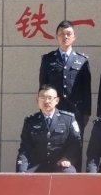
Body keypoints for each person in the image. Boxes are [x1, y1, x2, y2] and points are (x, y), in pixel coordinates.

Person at [39, 20, 91, 171]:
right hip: (54, 110)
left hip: (76, 112)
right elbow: (43, 87)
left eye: (68, 34)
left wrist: (86, 112)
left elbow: (86, 89)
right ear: (56, 37)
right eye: (61, 34)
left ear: (74, 37)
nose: (65, 37)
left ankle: (76, 178)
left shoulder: (82, 60)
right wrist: (44, 109)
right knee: (53, 144)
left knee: (76, 144)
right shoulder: (48, 59)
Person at [16, 85, 81, 173]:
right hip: (37, 165)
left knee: (69, 173)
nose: (46, 101)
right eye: (42, 98)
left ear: (57, 100)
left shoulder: (68, 119)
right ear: (37, 100)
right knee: (23, 176)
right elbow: (25, 148)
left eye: (50, 98)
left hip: (60, 163)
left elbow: (75, 143)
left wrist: (67, 158)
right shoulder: (30, 121)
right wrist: (21, 170)